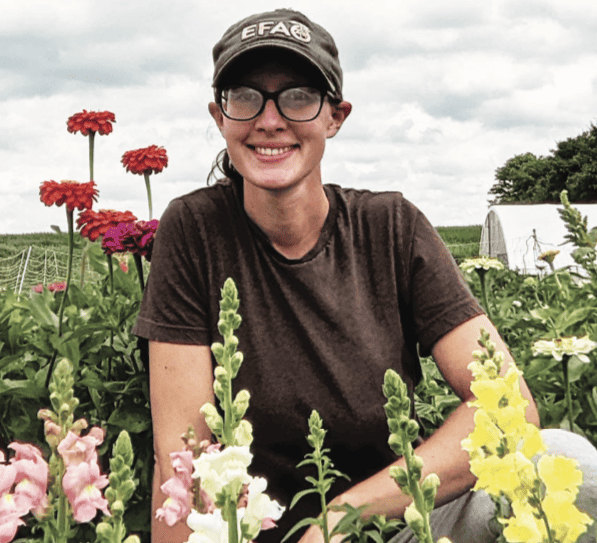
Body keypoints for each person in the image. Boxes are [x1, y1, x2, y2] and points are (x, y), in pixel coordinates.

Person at [133, 8, 597, 543]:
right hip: (252, 536)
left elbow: (505, 406)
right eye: (244, 96)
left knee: (569, 464)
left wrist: (341, 515)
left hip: (396, 526)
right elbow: (184, 464)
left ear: (336, 116)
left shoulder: (390, 227)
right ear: (220, 116)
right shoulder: (196, 230)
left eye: (299, 95)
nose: (269, 119)